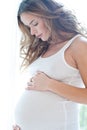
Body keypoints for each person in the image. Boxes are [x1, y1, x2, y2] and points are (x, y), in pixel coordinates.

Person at [13, 0, 87, 129]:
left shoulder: (78, 45)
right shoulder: (45, 48)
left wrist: (50, 84)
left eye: (34, 24)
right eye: (28, 27)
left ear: (49, 16)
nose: (32, 32)